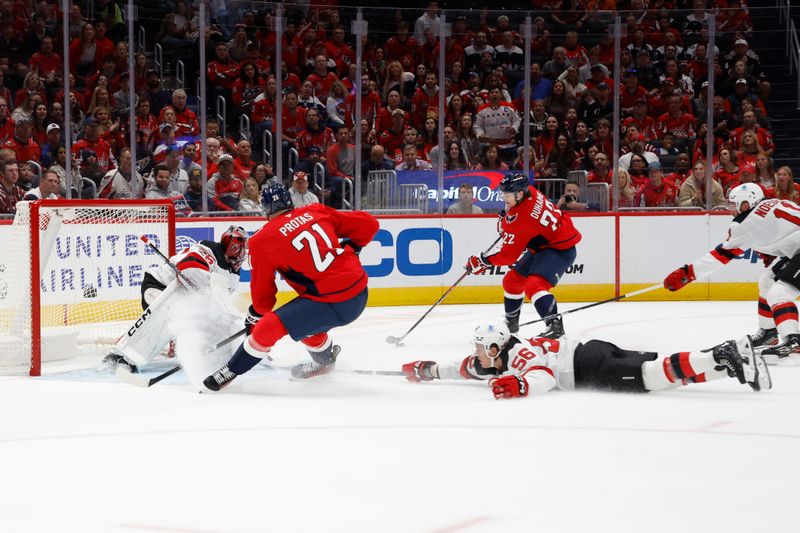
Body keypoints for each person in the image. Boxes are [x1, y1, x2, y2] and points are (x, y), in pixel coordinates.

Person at [202, 185, 379, 391]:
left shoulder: (262, 240)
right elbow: (370, 225)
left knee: (269, 326)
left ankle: (231, 370)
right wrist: (352, 248)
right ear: (290, 202)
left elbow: (264, 301)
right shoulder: (314, 211)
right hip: (359, 291)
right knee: (301, 324)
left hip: (331, 301)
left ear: (265, 209)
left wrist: (254, 317)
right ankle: (325, 362)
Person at [401, 321, 770, 399]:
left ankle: (721, 353)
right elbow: (461, 368)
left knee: (652, 377)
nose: (477, 353)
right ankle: (729, 367)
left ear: (496, 348)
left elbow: (542, 375)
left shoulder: (520, 358)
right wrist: (427, 370)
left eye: (482, 347)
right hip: (589, 350)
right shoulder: (490, 360)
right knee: (663, 375)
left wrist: (522, 385)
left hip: (588, 367)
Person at [664, 183, 800, 359]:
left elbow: (721, 255)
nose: (731, 210)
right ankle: (768, 333)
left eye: (733, 204)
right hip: (796, 251)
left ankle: (793, 339)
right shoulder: (773, 202)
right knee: (767, 281)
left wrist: (688, 274)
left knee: (779, 293)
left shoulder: (745, 224)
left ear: (746, 204)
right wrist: (771, 248)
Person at [102, 226, 249, 373]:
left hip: (180, 295)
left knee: (215, 323)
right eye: (241, 249)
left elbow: (220, 301)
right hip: (159, 286)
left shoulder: (233, 273)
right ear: (234, 248)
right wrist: (206, 295)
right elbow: (188, 267)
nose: (244, 253)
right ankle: (121, 356)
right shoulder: (209, 250)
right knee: (170, 316)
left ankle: (221, 358)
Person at [465, 173, 582, 338]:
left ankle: (554, 325)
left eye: (507, 195)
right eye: (503, 194)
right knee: (511, 282)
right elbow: (518, 220)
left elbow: (508, 257)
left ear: (519, 194)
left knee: (534, 286)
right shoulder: (532, 192)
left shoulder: (521, 220)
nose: (504, 198)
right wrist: (507, 221)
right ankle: (512, 324)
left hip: (559, 249)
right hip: (546, 244)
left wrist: (484, 261)